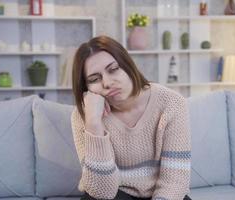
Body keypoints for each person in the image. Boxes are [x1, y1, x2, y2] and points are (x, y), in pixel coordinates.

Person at [71, 35, 191, 200]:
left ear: (127, 65)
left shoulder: (172, 103)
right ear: (87, 88)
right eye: (94, 79)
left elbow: (175, 183)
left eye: (113, 69)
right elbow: (101, 193)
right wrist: (93, 124)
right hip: (116, 194)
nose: (107, 82)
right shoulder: (84, 115)